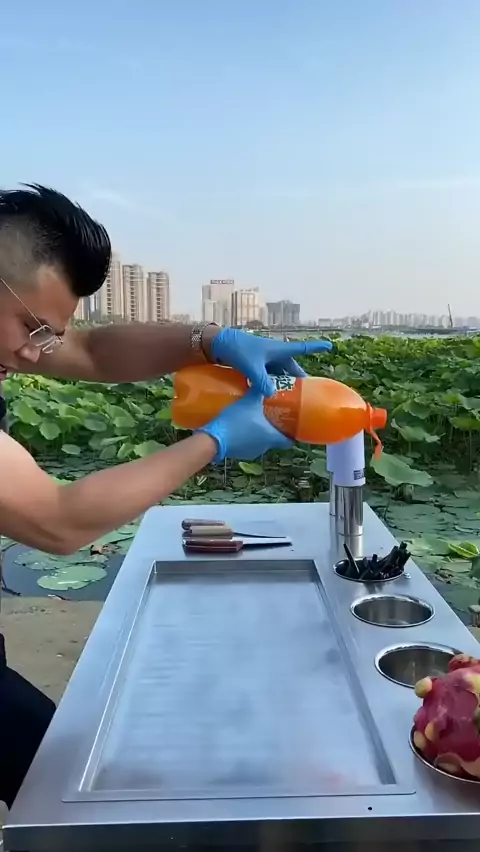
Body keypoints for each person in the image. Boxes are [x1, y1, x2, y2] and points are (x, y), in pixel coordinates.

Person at [0, 183, 332, 808]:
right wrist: (214, 441)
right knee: (61, 787)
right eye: (31, 326)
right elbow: (56, 520)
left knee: (54, 781)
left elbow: (92, 351)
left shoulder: (18, 336)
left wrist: (213, 340)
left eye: (46, 334)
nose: (31, 353)